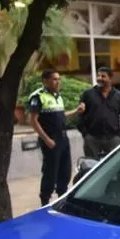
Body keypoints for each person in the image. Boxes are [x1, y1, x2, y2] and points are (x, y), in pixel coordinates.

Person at [28, 69, 80, 206]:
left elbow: (60, 116)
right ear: (45, 81)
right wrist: (46, 139)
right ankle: (45, 200)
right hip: (50, 139)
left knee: (65, 171)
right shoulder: (38, 97)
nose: (58, 82)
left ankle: (62, 199)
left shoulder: (58, 96)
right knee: (50, 172)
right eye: (54, 79)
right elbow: (33, 120)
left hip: (63, 138)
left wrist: (76, 111)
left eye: (59, 79)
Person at [77, 66, 120, 159]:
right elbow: (80, 115)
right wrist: (85, 134)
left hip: (113, 139)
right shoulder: (88, 94)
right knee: (91, 167)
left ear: (110, 78)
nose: (99, 78)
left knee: (114, 165)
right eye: (98, 76)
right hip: (92, 139)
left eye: (103, 76)